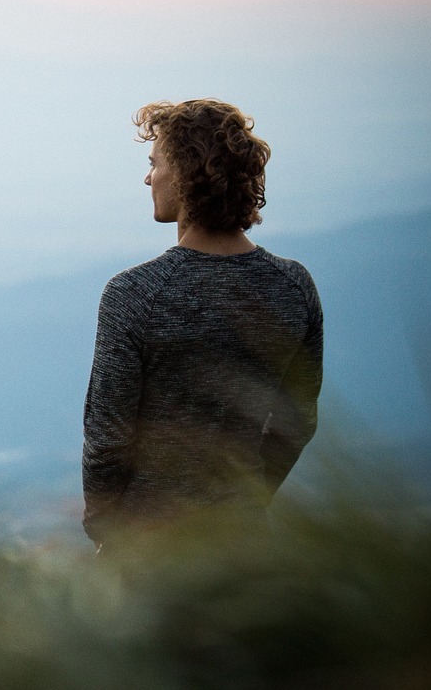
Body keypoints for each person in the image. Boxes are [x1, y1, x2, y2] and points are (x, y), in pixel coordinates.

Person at [82, 99, 322, 549]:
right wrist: (248, 499)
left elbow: (107, 441)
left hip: (146, 548)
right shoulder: (294, 287)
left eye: (154, 164)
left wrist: (107, 533)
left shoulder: (135, 294)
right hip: (246, 544)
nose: (148, 177)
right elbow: (296, 422)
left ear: (189, 174)